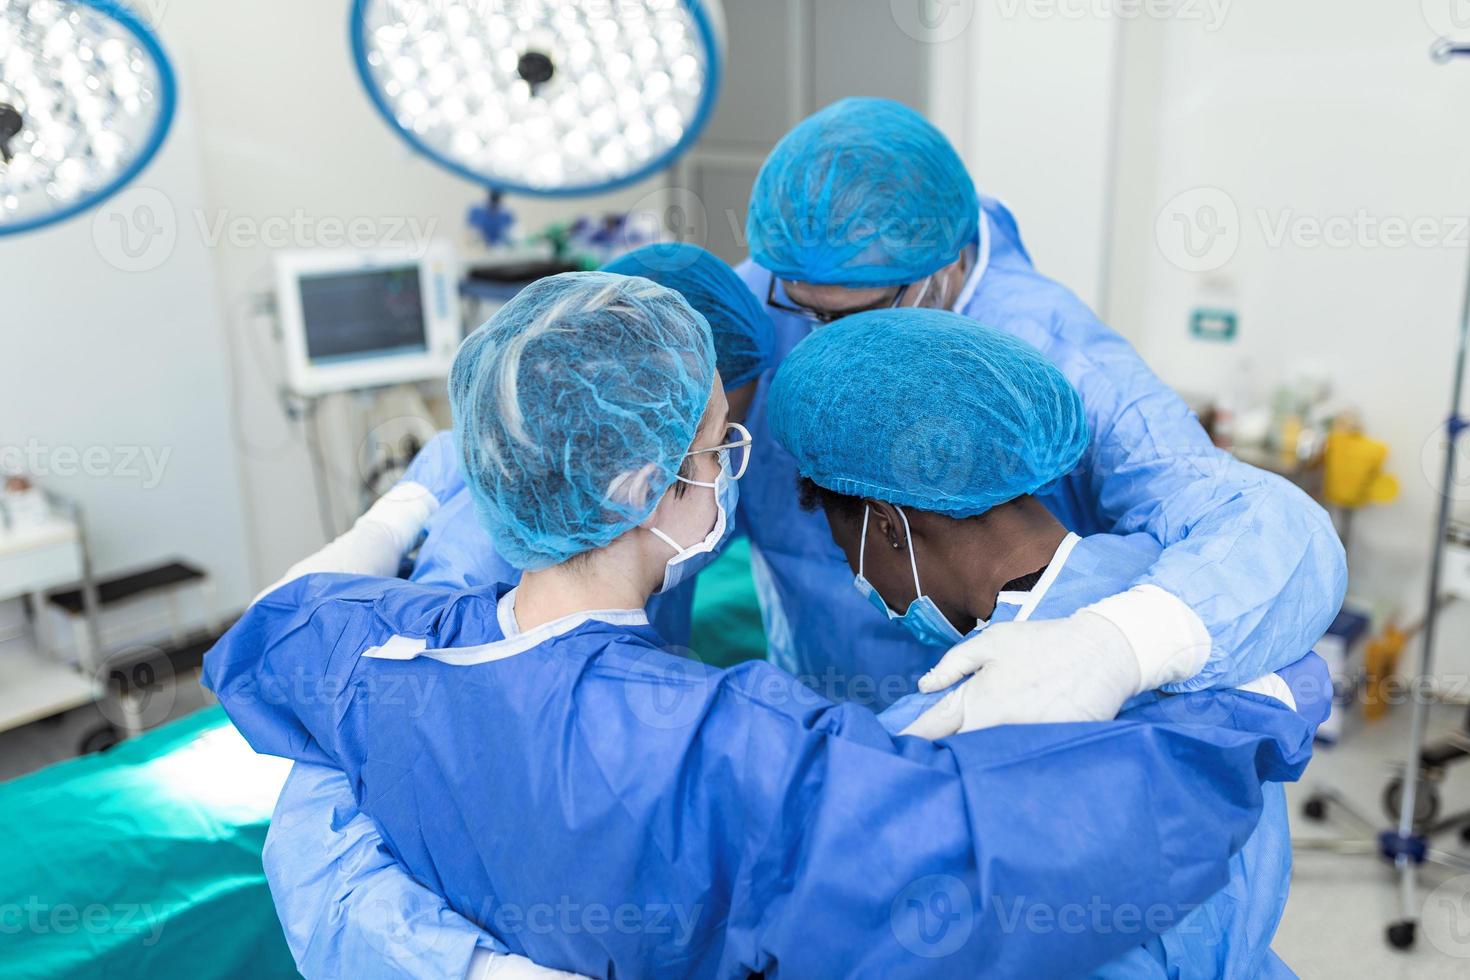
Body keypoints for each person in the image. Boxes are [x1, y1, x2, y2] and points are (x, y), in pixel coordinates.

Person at [206, 273, 1321, 979]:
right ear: (649, 482)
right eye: (714, 452)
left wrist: (379, 526)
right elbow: (991, 869)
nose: (733, 483)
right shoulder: (723, 741)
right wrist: (1269, 701)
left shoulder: (380, 641)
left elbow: (261, 640)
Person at [736, 96, 1346, 714]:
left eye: (852, 315)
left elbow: (1267, 528)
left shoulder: (1058, 354)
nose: (821, 336)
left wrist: (1118, 646)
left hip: (1016, 713)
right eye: (804, 311)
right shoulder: (784, 280)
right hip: (821, 698)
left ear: (944, 263)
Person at [767, 307, 1324, 978]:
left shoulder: (949, 726)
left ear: (885, 526)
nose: (860, 581)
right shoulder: (1205, 603)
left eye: (845, 552)